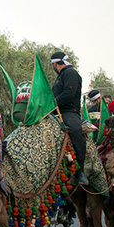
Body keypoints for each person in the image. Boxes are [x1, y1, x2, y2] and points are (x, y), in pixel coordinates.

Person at [50, 51, 88, 186]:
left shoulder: (71, 73)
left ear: (55, 64)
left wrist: (53, 103)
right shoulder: (61, 76)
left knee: (75, 131)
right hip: (55, 112)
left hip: (68, 112)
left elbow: (69, 93)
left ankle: (80, 171)